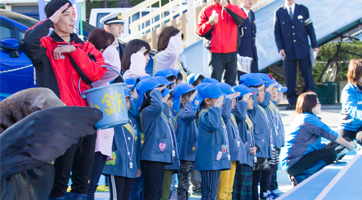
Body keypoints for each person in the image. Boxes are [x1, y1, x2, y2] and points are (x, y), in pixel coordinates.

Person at [21, 0, 107, 199]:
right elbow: (27, 41)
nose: (72, 18)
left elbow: (97, 73)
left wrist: (74, 51)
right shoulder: (45, 45)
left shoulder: (84, 46)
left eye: (72, 13)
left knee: (82, 180)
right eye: (66, 14)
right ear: (55, 18)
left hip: (85, 119)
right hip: (58, 119)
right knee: (59, 177)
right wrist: (49, 21)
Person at [280, 91, 355, 185]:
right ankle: (300, 177)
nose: (320, 104)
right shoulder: (308, 118)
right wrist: (348, 145)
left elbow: (309, 144)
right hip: (294, 164)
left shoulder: (306, 117)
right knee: (331, 153)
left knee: (336, 146)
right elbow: (328, 133)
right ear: (311, 104)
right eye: (318, 102)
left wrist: (326, 146)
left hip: (297, 160)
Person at [87, 28, 121, 200]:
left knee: (91, 184)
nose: (112, 51)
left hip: (104, 135)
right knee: (87, 184)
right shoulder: (89, 75)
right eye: (108, 47)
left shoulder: (108, 76)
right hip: (93, 136)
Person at [274, 0, 319, 110]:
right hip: (288, 49)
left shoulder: (303, 9)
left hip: (302, 47)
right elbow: (277, 32)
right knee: (290, 77)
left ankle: (311, 101)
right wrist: (280, 48)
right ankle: (292, 102)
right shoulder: (279, 11)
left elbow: (310, 29)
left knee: (307, 75)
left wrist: (314, 45)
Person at [239, 73, 275, 200]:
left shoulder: (260, 107)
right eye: (261, 91)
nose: (264, 93)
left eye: (264, 90)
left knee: (256, 181)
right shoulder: (252, 108)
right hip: (255, 151)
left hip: (260, 150)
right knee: (253, 183)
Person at [137, 78, 174, 200]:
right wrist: (154, 91)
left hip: (158, 156)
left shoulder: (158, 112)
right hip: (151, 157)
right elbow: (157, 105)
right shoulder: (147, 111)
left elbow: (160, 105)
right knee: (152, 193)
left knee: (157, 193)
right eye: (157, 92)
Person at [102, 89, 142, 200]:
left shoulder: (132, 121)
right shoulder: (110, 120)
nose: (125, 103)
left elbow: (137, 145)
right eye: (121, 100)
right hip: (116, 165)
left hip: (130, 166)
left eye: (128, 100)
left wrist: (137, 165)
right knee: (116, 197)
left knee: (126, 197)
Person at [193, 83, 231, 200]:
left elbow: (225, 115)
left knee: (212, 192)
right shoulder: (204, 114)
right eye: (218, 99)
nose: (221, 101)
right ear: (207, 101)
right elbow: (213, 125)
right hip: (209, 160)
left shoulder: (215, 114)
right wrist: (216, 107)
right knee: (209, 194)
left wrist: (226, 101)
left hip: (216, 158)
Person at [196, 0, 247, 86]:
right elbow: (199, 31)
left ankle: (229, 99)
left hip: (232, 52)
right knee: (215, 83)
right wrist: (210, 23)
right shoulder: (206, 11)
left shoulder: (233, 7)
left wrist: (227, 5)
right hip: (216, 54)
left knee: (230, 84)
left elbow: (242, 18)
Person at [172, 83, 198, 200]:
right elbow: (191, 113)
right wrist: (191, 101)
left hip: (188, 153)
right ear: (182, 100)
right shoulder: (183, 113)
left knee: (185, 183)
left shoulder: (185, 113)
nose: (192, 98)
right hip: (184, 154)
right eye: (189, 96)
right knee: (183, 184)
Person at [215, 83, 241, 200]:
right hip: (225, 157)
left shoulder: (231, 115)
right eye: (231, 98)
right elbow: (224, 113)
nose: (234, 101)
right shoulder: (222, 114)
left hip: (233, 156)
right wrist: (227, 100)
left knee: (229, 189)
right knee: (223, 189)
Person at [231, 85, 256, 200]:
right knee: (239, 194)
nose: (251, 101)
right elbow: (240, 116)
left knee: (246, 194)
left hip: (248, 158)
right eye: (248, 98)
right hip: (241, 159)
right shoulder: (236, 113)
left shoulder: (247, 114)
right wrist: (243, 101)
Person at [339, 59, 362, 145]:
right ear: (356, 75)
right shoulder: (348, 90)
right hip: (348, 126)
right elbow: (352, 110)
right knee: (336, 151)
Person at [100, 11, 126, 81]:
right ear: (107, 28)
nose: (120, 28)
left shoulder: (122, 47)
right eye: (117, 25)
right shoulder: (101, 46)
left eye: (121, 25)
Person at [237, 0, 258, 75]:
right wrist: (237, 54)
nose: (250, 1)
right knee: (244, 82)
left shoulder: (251, 13)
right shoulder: (237, 14)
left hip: (252, 54)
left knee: (256, 82)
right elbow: (236, 36)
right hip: (243, 56)